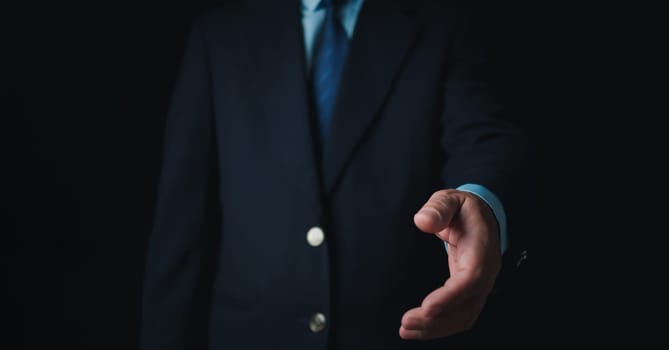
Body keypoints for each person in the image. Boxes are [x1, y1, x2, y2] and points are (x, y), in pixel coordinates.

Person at [140, 0, 533, 349]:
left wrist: (481, 203)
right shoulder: (218, 34)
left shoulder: (446, 20)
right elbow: (182, 225)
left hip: (399, 332)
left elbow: (483, 138)